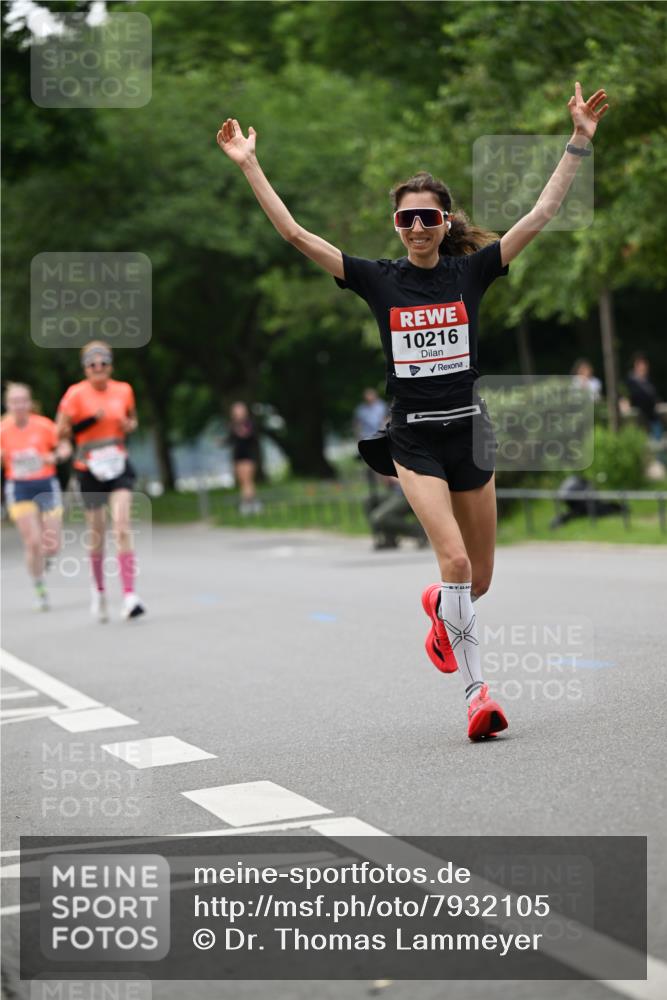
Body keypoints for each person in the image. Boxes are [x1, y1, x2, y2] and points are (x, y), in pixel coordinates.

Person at [217, 80, 608, 741]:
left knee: (475, 580)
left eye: (429, 217)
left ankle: (439, 609)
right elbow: (291, 233)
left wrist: (577, 141)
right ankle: (476, 696)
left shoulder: (470, 273)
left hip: (470, 439)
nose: (419, 227)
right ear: (395, 227)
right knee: (453, 562)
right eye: (406, 219)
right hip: (414, 442)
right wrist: (249, 163)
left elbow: (539, 214)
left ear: (446, 222)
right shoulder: (377, 279)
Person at [56, 341, 145, 622]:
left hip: (118, 464)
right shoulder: (75, 395)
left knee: (121, 526)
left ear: (111, 365)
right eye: (92, 364)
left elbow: (132, 420)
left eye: (103, 363)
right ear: (85, 368)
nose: (98, 368)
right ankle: (99, 589)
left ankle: (130, 596)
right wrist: (84, 428)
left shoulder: (124, 390)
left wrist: (130, 426)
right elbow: (61, 430)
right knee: (96, 533)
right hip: (89, 467)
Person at [1, 382, 71, 609]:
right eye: (14, 401)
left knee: (51, 545)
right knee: (32, 542)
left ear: (30, 403)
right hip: (19, 488)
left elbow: (64, 446)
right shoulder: (3, 430)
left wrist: (57, 456)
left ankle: (45, 557)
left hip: (46, 486)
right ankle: (39, 585)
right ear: (7, 404)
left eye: (23, 401)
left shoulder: (44, 425)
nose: (19, 405)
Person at [228, 401, 262, 515]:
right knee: (242, 481)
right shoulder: (232, 425)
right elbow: (231, 439)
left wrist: (239, 429)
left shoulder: (249, 423)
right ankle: (247, 503)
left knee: (248, 480)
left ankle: (250, 503)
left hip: (248, 456)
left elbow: (247, 435)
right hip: (238, 456)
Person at [623, 353, 662, 441]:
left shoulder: (648, 381)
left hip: (652, 416)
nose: (644, 367)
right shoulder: (630, 381)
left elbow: (654, 396)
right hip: (638, 418)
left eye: (645, 365)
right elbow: (625, 396)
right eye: (641, 365)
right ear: (636, 366)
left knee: (658, 442)